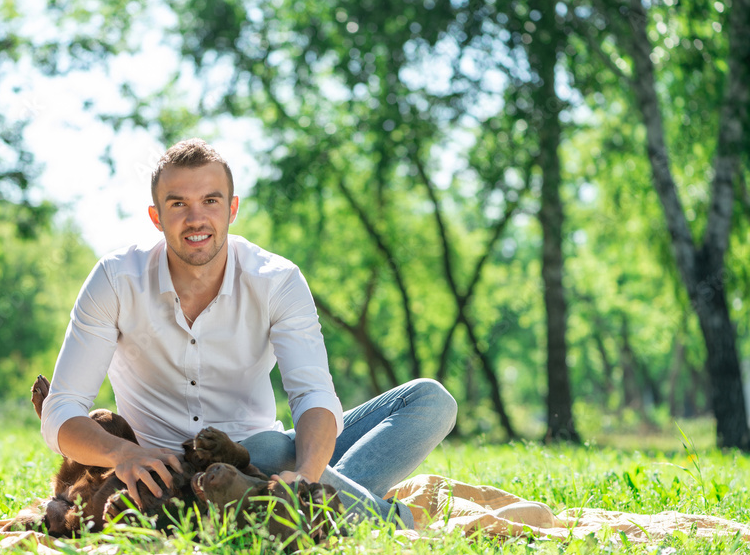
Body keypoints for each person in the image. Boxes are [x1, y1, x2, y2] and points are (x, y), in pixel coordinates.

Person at [40, 138, 457, 529]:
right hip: (172, 478)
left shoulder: (276, 279)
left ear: (232, 208)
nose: (195, 218)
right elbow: (62, 409)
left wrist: (307, 477)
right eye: (178, 203)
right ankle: (381, 519)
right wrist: (122, 452)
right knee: (272, 450)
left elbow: (312, 394)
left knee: (430, 401)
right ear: (156, 216)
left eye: (210, 201)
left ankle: (299, 504)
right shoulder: (115, 279)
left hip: (257, 457)